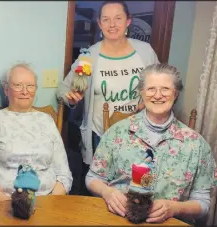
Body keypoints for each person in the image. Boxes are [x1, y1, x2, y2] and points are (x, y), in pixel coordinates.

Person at [86, 63, 217, 224]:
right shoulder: (117, 132)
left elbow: (203, 203)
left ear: (176, 93)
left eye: (165, 89)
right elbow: (93, 177)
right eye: (151, 89)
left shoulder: (196, 143)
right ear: (142, 93)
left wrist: (174, 208)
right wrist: (107, 192)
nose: (158, 95)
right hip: (119, 220)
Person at [56, 1, 160, 186]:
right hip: (100, 136)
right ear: (100, 23)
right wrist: (71, 98)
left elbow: (160, 85)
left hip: (138, 134)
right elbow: (63, 91)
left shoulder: (145, 52)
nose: (112, 25)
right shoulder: (89, 56)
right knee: (101, 190)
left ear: (128, 21)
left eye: (118, 18)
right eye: (106, 19)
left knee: (136, 187)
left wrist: (149, 102)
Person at [0, 63, 73, 201]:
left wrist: (47, 205)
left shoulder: (47, 121)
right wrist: (10, 205)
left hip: (47, 203)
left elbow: (63, 175)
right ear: (6, 89)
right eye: (18, 85)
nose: (25, 91)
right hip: (3, 203)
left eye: (30, 86)